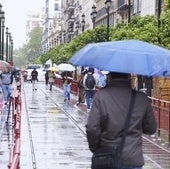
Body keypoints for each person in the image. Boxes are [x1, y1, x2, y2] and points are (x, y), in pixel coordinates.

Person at [86, 72, 157, 169]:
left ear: (110, 76)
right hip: (132, 158)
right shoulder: (141, 98)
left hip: (107, 157)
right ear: (128, 76)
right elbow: (151, 128)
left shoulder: (100, 97)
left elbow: (91, 127)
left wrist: (95, 148)